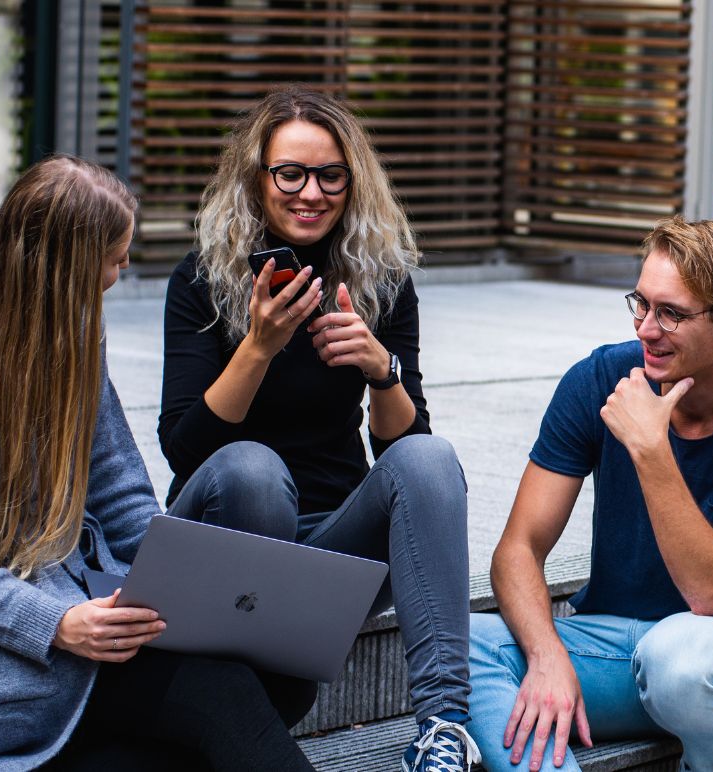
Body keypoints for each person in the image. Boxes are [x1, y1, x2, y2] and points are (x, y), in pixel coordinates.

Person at [0, 155, 315, 771]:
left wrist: (167, 585)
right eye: (114, 256)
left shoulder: (71, 327)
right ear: (64, 264)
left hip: (83, 591)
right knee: (219, 696)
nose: (122, 271)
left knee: (286, 682)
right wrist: (58, 623)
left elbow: (117, 486)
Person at [158, 85, 477, 772]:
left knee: (431, 459)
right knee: (252, 469)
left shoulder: (379, 282)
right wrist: (259, 347)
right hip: (227, 534)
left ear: (352, 181)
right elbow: (182, 449)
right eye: (290, 174)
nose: (311, 193)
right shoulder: (203, 282)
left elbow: (403, 450)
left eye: (331, 175)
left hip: (331, 544)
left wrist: (379, 370)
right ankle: (250, 695)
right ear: (258, 180)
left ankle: (444, 730)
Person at [467, 216, 713, 772]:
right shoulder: (600, 378)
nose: (646, 329)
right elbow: (518, 548)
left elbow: (711, 593)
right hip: (611, 642)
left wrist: (651, 449)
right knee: (465, 643)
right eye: (640, 304)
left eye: (672, 313)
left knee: (682, 660)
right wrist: (546, 657)